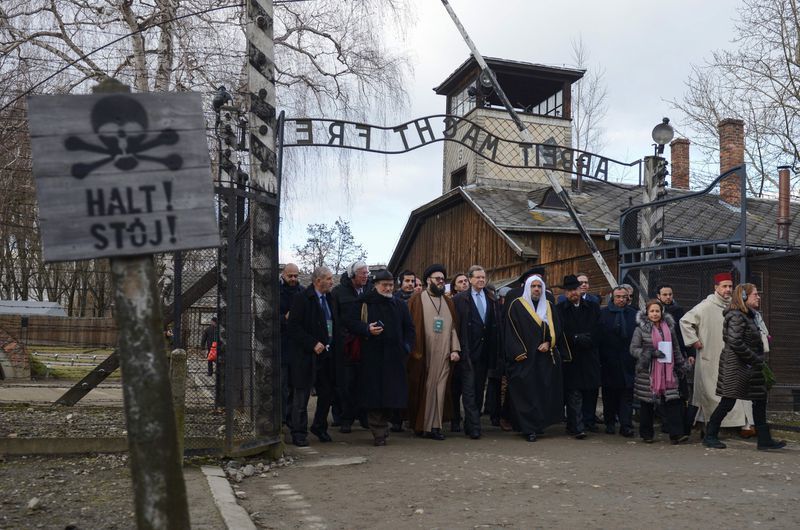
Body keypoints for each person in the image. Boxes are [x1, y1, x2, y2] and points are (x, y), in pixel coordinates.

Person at [703, 284, 785, 451]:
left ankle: (764, 440)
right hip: (736, 366)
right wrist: (755, 358)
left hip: (749, 366)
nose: (759, 297)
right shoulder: (736, 316)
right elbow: (735, 341)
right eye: (755, 294)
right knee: (728, 401)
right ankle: (710, 435)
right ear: (744, 297)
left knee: (760, 399)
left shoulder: (749, 316)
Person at [347, 270, 415, 446]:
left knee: (391, 395)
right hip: (372, 357)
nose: (388, 288)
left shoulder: (399, 305)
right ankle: (378, 431)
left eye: (391, 285)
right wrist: (367, 329)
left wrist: (406, 347)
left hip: (394, 357)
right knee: (374, 396)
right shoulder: (364, 303)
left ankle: (383, 427)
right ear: (376, 285)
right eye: (384, 285)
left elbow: (409, 328)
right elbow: (351, 323)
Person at [680, 272, 753, 434]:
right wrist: (693, 340)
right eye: (724, 286)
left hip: (731, 355)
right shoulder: (705, 306)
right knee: (710, 391)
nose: (728, 289)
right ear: (716, 288)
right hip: (710, 355)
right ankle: (708, 426)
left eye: (730, 286)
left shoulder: (734, 305)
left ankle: (740, 424)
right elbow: (685, 321)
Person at [503, 274, 564, 442]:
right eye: (533, 286)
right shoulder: (516, 305)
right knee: (526, 393)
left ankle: (538, 426)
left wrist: (549, 343)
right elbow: (510, 330)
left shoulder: (549, 306)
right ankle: (527, 428)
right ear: (527, 288)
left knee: (541, 392)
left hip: (544, 358)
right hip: (525, 358)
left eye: (539, 286)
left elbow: (557, 328)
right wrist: (518, 351)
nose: (536, 289)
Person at [407, 264, 461, 440]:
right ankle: (423, 425)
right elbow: (409, 328)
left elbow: (453, 328)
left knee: (441, 389)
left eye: (442, 279)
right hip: (423, 354)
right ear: (428, 280)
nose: (440, 281)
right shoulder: (416, 299)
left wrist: (455, 349)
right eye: (437, 279)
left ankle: (435, 427)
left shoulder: (448, 301)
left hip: (444, 354)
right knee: (426, 388)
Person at [287, 266, 338, 447]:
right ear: (318, 281)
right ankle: (298, 432)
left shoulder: (330, 299)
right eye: (329, 279)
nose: (332, 282)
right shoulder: (301, 298)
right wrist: (311, 343)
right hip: (306, 356)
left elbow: (332, 323)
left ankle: (319, 426)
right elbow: (293, 327)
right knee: (301, 396)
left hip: (326, 355)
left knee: (326, 393)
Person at [630, 300, 690, 444]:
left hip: (668, 372)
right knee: (647, 404)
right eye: (652, 311)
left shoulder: (669, 328)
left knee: (673, 402)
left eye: (657, 311)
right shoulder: (640, 330)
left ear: (662, 312)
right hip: (648, 373)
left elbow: (675, 348)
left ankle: (676, 434)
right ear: (647, 313)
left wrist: (682, 365)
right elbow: (633, 349)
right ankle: (647, 434)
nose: (655, 314)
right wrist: (650, 353)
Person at [453, 265, 498, 439]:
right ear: (470, 279)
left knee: (479, 390)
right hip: (467, 351)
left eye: (483, 277)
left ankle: (472, 422)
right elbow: (456, 326)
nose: (481, 280)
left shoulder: (491, 298)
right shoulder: (460, 299)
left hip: (485, 352)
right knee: (469, 390)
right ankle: (473, 427)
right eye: (477, 277)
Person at [557, 274, 601, 439]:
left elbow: (599, 329)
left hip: (589, 355)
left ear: (580, 289)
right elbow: (560, 332)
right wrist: (575, 339)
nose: (572, 293)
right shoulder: (559, 309)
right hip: (571, 357)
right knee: (573, 393)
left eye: (574, 289)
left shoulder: (593, 307)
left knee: (590, 391)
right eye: (569, 291)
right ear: (566, 293)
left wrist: (588, 339)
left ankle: (587, 422)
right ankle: (576, 426)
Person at [331, 261, 372, 433]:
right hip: (346, 345)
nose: (365, 276)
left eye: (366, 273)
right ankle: (345, 418)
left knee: (364, 382)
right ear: (352, 275)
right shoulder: (339, 292)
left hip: (366, 343)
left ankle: (364, 416)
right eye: (362, 273)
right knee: (346, 383)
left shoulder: (370, 290)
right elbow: (334, 317)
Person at [597, 286, 637, 437]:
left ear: (628, 298)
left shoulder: (634, 314)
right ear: (612, 297)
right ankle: (610, 422)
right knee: (609, 394)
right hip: (609, 360)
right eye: (618, 296)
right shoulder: (604, 314)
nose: (621, 299)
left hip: (628, 360)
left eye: (624, 297)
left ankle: (625, 425)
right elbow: (599, 336)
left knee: (627, 394)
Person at [656, 283, 695, 436]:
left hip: (677, 355)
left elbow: (684, 333)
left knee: (679, 390)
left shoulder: (678, 311)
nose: (668, 297)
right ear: (658, 296)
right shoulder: (653, 311)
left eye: (670, 294)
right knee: (661, 391)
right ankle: (665, 422)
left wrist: (690, 352)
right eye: (665, 294)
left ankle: (678, 423)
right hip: (659, 356)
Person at [279, 263, 303, 426]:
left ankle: (291, 418)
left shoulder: (302, 292)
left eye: (296, 276)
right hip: (281, 344)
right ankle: (281, 418)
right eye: (290, 276)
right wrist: (284, 318)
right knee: (282, 386)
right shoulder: (275, 292)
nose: (293, 279)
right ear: (283, 275)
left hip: (298, 346)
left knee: (296, 387)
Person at [447, 271, 469, 430]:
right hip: (454, 348)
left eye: (466, 281)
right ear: (454, 286)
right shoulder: (451, 302)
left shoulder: (473, 301)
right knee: (454, 388)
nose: (464, 283)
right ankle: (455, 418)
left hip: (469, 349)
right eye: (460, 282)